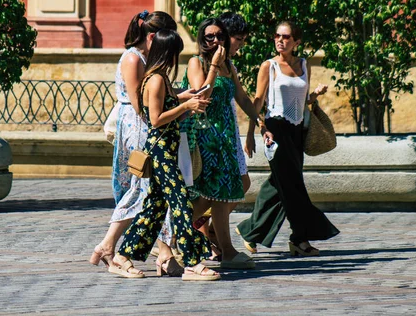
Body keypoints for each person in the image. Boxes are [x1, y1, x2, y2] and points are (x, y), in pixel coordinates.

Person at [109, 29, 220, 281]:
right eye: (174, 53)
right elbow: (156, 120)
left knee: (154, 209)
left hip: (167, 149)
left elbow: (168, 109)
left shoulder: (161, 79)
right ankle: (192, 262)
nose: (176, 58)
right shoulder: (157, 80)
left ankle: (122, 256)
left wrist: (186, 99)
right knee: (180, 202)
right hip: (160, 153)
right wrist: (185, 105)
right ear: (167, 53)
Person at [90, 11, 185, 270]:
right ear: (152, 37)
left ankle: (162, 253)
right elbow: (140, 105)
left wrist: (183, 96)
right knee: (141, 189)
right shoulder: (133, 58)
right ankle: (110, 246)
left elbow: (157, 94)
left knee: (152, 191)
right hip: (138, 128)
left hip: (145, 127)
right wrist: (171, 113)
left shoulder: (145, 58)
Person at [235, 20, 340, 256]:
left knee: (279, 185)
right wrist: (252, 132)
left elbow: (301, 101)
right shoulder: (268, 66)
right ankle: (299, 238)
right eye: (277, 36)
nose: (280, 40)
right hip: (276, 131)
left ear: (297, 42)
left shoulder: (304, 64)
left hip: (297, 131)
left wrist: (315, 95)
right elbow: (258, 101)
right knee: (293, 187)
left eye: (286, 37)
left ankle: (250, 230)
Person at [183, 17, 262, 269]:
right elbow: (201, 96)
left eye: (219, 35)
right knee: (208, 195)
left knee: (222, 194)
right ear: (202, 40)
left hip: (225, 137)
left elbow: (241, 97)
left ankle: (225, 250)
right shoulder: (196, 63)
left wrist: (259, 120)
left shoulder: (231, 66)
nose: (215, 40)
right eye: (209, 36)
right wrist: (214, 67)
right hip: (205, 138)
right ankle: (170, 236)